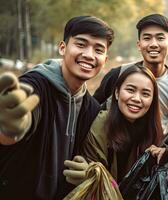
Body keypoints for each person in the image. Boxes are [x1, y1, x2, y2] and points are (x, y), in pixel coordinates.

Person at [0, 15, 114, 199]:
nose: (89, 55)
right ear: (63, 47)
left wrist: (91, 174)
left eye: (98, 49)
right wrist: (10, 127)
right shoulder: (35, 85)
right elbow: (19, 119)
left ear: (105, 59)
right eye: (81, 44)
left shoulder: (91, 107)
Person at [93, 14, 168, 152]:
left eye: (160, 38)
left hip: (157, 155)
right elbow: (94, 110)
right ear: (139, 45)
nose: (153, 44)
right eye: (147, 38)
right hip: (118, 152)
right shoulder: (119, 74)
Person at [64, 65, 164, 184]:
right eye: (130, 90)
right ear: (117, 93)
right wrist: (93, 175)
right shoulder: (102, 124)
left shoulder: (152, 128)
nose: (137, 99)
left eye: (146, 94)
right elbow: (93, 171)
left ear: (153, 100)